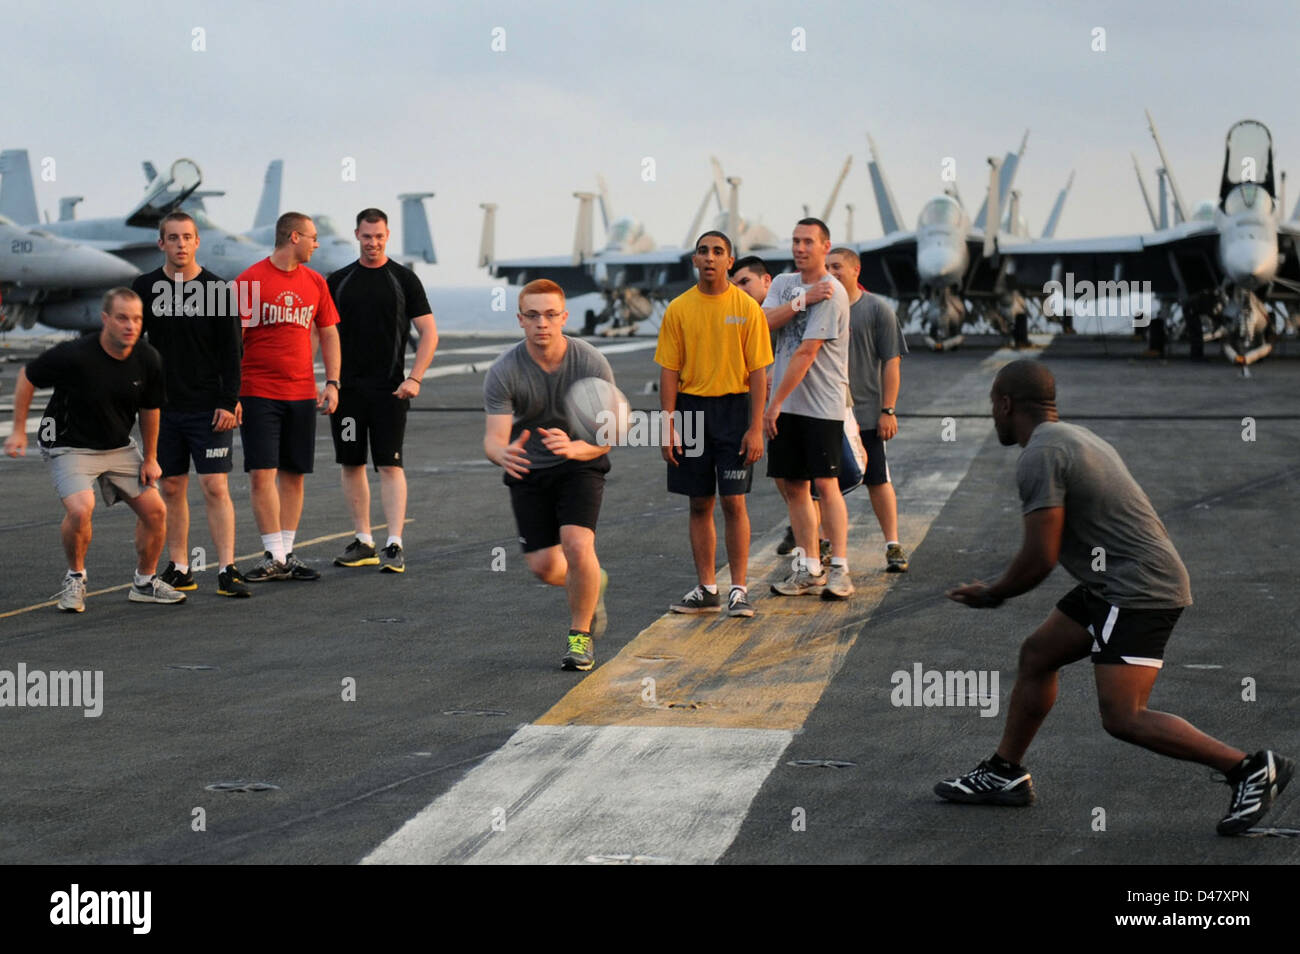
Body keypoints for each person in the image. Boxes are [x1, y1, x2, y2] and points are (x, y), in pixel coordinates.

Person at [938, 359, 1292, 835]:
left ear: (1005, 404)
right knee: (1039, 655)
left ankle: (1249, 768)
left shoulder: (1041, 454)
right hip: (1113, 584)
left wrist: (992, 593)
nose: (993, 416)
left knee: (1124, 717)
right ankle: (1004, 773)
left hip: (1139, 588)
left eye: (992, 406)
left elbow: (1040, 557)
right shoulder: (1074, 437)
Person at [4, 287, 185, 609]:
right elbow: (27, 376)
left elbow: (150, 408)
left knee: (156, 512)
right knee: (80, 507)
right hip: (70, 445)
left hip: (117, 446)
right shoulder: (75, 354)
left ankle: (144, 583)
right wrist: (18, 431)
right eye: (122, 318)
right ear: (105, 320)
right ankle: (75, 578)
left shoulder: (148, 358)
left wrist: (152, 458)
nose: (130, 325)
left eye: (136, 319)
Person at [483, 279, 614, 672]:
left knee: (576, 545)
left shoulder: (590, 361)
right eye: (534, 315)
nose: (543, 323)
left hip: (580, 463)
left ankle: (579, 638)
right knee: (544, 567)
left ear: (564, 317)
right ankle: (595, 582)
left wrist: (577, 448)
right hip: (529, 468)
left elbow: (607, 438)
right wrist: (501, 454)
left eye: (551, 315)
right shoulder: (504, 371)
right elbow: (492, 440)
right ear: (520, 319)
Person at [132, 211, 250, 597]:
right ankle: (180, 567)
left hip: (208, 406)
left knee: (215, 485)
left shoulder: (218, 290)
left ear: (197, 242)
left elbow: (232, 351)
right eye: (173, 238)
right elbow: (133, 346)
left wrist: (228, 400)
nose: (180, 244)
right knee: (171, 487)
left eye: (187, 237)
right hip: (163, 409)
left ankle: (227, 568)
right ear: (160, 243)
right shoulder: (145, 287)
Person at [657, 232, 771, 618]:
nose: (709, 258)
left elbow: (759, 373)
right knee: (699, 502)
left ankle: (739, 589)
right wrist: (668, 424)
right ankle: (708, 588)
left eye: (717, 252)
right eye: (703, 251)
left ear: (730, 261)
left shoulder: (746, 308)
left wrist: (755, 427)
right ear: (694, 260)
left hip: (734, 411)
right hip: (690, 411)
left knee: (733, 501)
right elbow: (669, 371)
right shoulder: (678, 309)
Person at [327, 208, 439, 574]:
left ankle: (394, 543)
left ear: (387, 235)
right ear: (356, 235)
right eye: (366, 236)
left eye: (378, 237)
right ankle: (364, 541)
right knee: (351, 462)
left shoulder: (404, 279)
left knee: (390, 464)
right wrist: (325, 381)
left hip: (392, 391)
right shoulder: (338, 280)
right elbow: (320, 334)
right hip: (347, 393)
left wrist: (415, 378)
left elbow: (430, 333)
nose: (372, 243)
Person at [235, 212, 341, 582]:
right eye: (312, 237)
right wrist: (229, 392)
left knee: (294, 474)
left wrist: (333, 382)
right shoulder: (250, 280)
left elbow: (328, 332)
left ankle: (287, 553)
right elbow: (231, 342)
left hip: (300, 392)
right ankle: (273, 554)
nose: (317, 243)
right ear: (294, 237)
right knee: (262, 473)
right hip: (257, 391)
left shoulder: (315, 282)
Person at [761, 218, 853, 599]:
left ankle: (840, 569)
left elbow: (806, 351)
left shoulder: (832, 291)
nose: (800, 248)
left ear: (825, 246)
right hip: (787, 406)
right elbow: (762, 322)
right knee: (795, 488)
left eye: (808, 242)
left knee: (826, 485)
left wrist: (773, 403)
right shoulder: (783, 284)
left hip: (820, 405)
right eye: (795, 241)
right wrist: (800, 301)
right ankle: (809, 567)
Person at [827, 246, 909, 573]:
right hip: (827, 414)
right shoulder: (818, 307)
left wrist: (888, 410)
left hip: (866, 415)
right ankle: (823, 547)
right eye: (827, 267)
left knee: (877, 480)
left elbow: (892, 363)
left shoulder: (878, 310)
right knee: (824, 486)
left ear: (855, 270)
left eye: (838, 267)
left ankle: (893, 545)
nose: (831, 272)